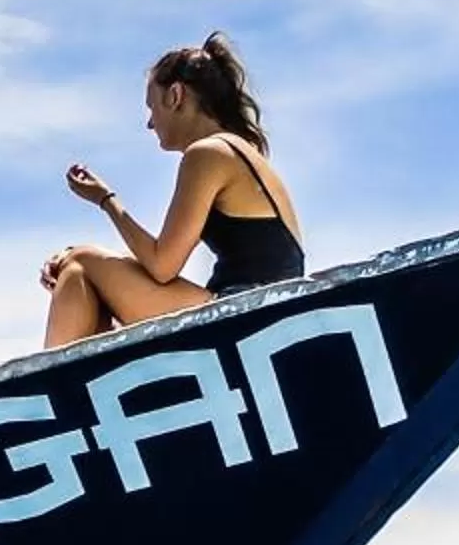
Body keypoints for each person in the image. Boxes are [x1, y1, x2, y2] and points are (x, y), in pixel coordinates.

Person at [40, 32, 303, 347]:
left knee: (81, 261)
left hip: (245, 313)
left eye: (151, 107)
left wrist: (105, 200)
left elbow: (162, 265)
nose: (150, 123)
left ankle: (47, 389)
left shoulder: (209, 153)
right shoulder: (240, 151)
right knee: (77, 271)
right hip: (259, 308)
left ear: (175, 96)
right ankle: (76, 386)